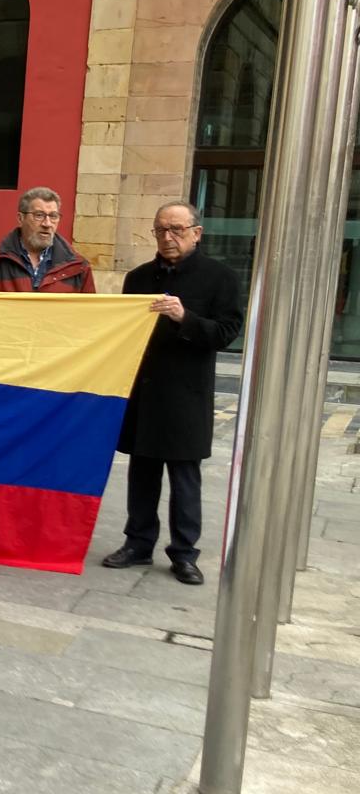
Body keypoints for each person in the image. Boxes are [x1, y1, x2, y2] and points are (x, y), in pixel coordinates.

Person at [102, 201, 243, 584]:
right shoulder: (139, 277)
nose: (168, 237)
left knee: (185, 477)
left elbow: (228, 333)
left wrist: (185, 317)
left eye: (177, 230)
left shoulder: (220, 278)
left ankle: (184, 554)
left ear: (196, 233)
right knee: (142, 473)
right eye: (161, 230)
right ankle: (137, 543)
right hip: (145, 393)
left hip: (187, 395)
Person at [0, 186, 96, 299]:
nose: (47, 224)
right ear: (20, 218)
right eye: (39, 215)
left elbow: (90, 316)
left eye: (53, 216)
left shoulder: (78, 267)